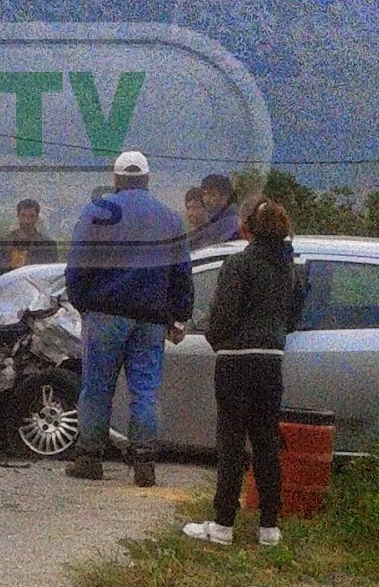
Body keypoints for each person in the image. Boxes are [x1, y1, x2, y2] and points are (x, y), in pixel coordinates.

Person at [64, 150, 193, 486]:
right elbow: (182, 273)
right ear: (147, 180)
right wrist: (180, 316)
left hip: (105, 315)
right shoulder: (170, 219)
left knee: (96, 389)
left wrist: (82, 304)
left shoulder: (97, 213)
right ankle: (144, 464)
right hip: (151, 321)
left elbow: (78, 265)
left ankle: (90, 459)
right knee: (145, 392)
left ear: (116, 180)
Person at [185, 197, 306, 547]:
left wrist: (217, 339)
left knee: (232, 444)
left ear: (248, 228)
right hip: (271, 361)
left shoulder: (238, 264)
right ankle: (269, 527)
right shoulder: (290, 269)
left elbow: (222, 314)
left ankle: (223, 524)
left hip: (236, 361)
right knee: (266, 441)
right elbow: (293, 317)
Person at [0, 198, 60, 281]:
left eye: (31, 216)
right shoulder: (6, 241)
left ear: (37, 217)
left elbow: (50, 275)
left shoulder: (47, 244)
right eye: (23, 216)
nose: (27, 221)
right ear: (18, 216)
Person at [189, 173, 240, 249]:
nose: (206, 200)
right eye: (204, 194)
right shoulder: (211, 223)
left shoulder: (232, 224)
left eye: (212, 194)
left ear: (225, 197)